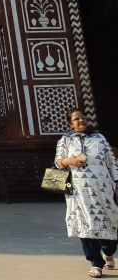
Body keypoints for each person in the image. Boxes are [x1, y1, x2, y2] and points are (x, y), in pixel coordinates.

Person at [55, 108, 118, 277]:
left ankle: (108, 251)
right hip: (78, 191)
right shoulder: (65, 140)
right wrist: (70, 161)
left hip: (103, 189)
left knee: (110, 220)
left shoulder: (99, 138)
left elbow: (112, 162)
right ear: (70, 123)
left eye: (82, 117)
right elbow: (58, 162)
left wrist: (117, 182)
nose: (80, 121)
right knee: (86, 226)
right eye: (76, 119)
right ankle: (95, 263)